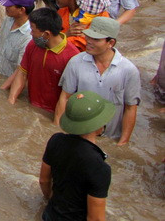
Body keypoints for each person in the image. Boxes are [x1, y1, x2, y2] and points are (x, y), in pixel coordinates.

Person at [54, 17, 140, 147]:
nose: (88, 42)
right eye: (88, 37)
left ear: (111, 42)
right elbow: (65, 97)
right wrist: (57, 130)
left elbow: (130, 108)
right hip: (80, 135)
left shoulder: (128, 70)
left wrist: (123, 142)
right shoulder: (75, 62)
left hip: (110, 137)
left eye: (96, 39)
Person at [40, 91, 114, 221]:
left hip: (49, 215)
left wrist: (50, 199)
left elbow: (44, 181)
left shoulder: (55, 140)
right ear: (99, 127)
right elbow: (96, 218)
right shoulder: (99, 167)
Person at [7, 8, 80, 113]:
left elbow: (68, 95)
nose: (31, 33)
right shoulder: (32, 45)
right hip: (30, 106)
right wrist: (11, 100)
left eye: (33, 30)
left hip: (52, 112)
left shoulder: (72, 56)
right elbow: (22, 74)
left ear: (46, 34)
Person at [0, 0, 34, 78]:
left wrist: (1, 89)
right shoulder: (8, 19)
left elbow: (21, 72)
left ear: (21, 10)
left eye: (9, 5)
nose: (5, 6)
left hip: (7, 79)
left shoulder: (28, 36)